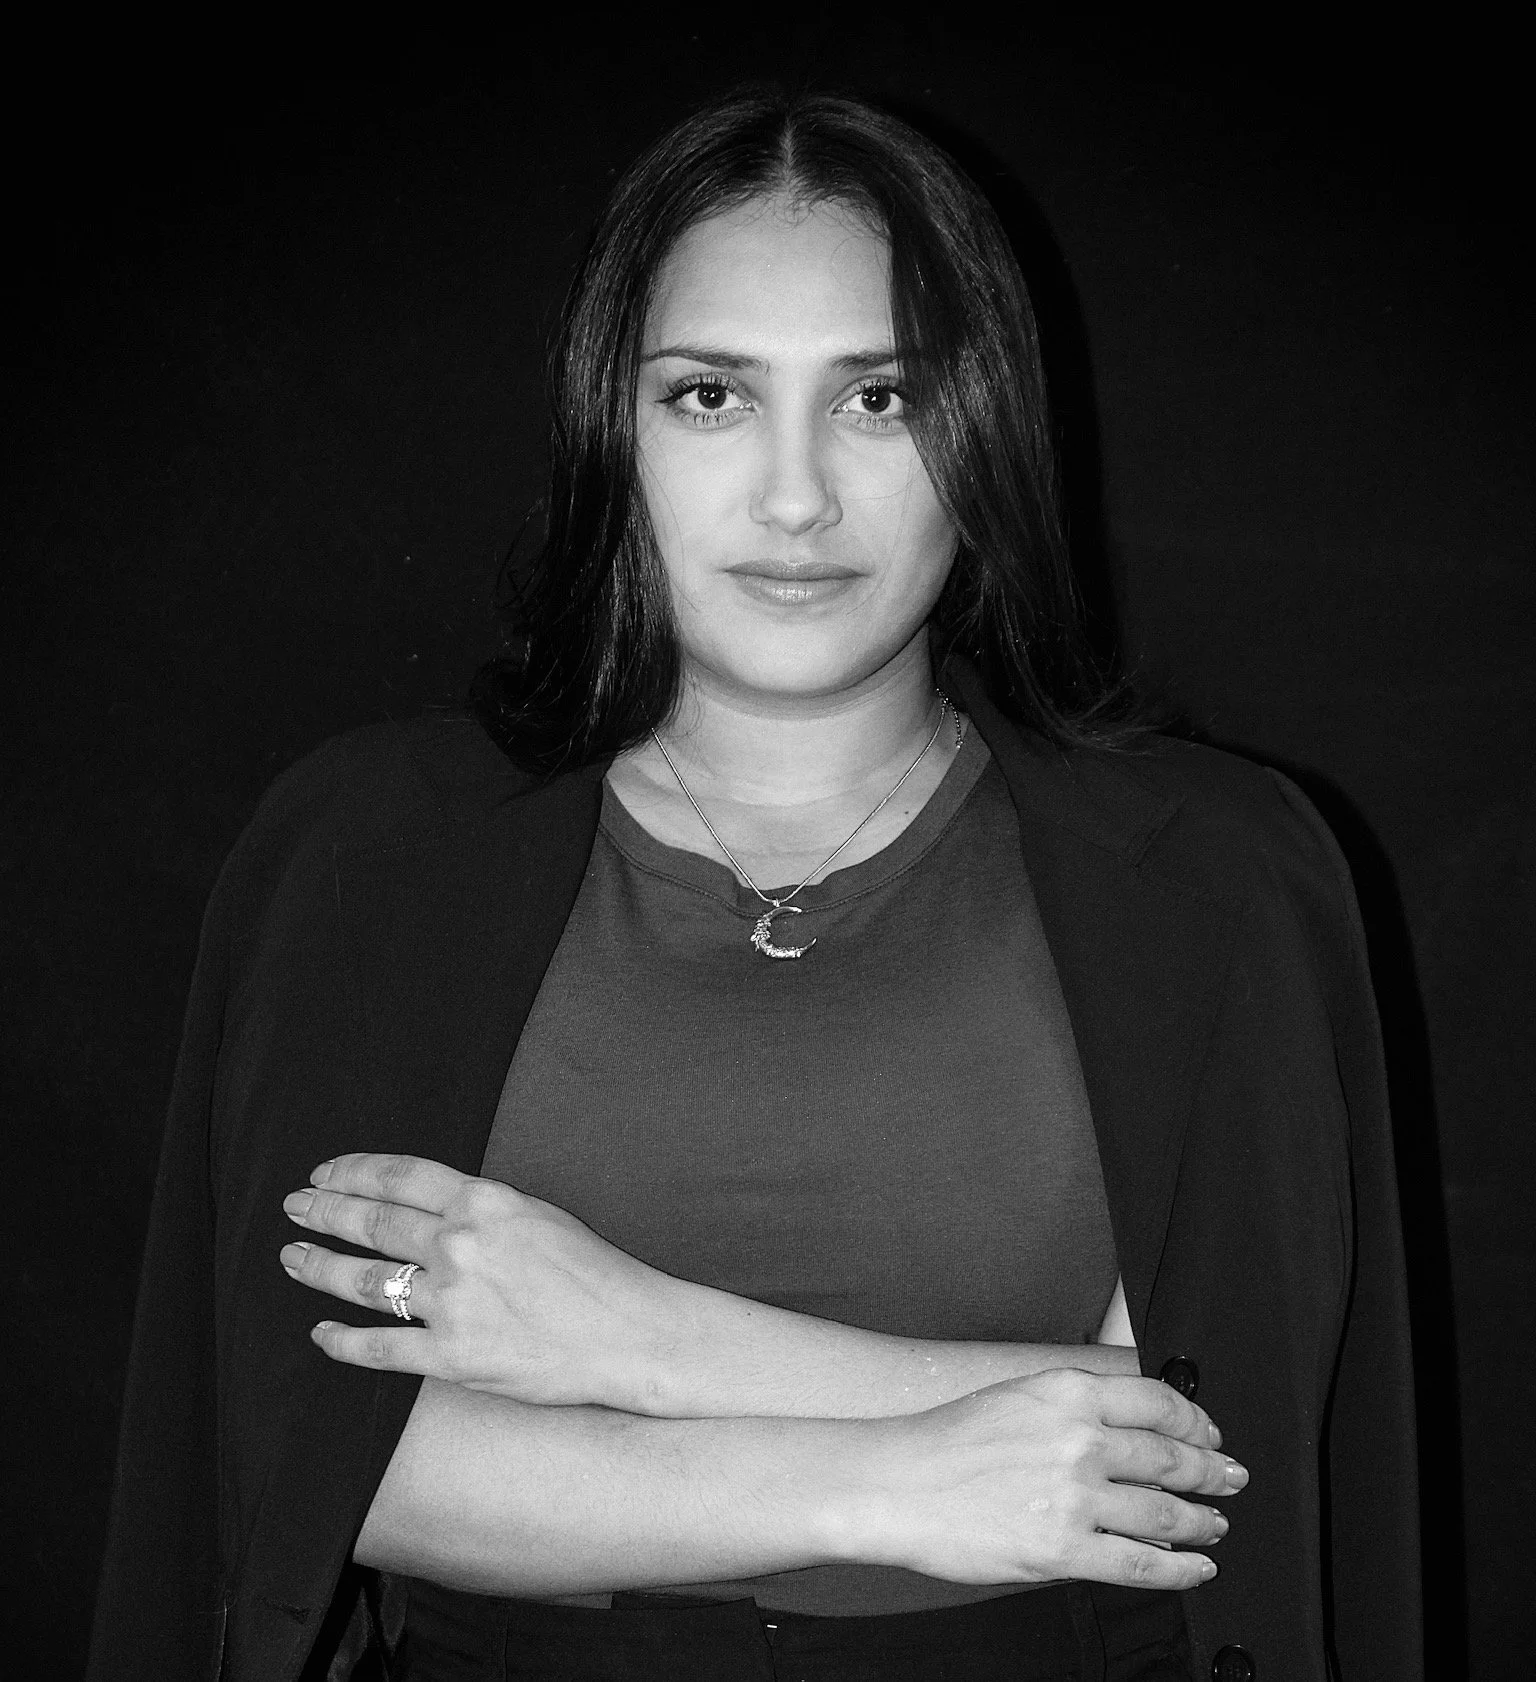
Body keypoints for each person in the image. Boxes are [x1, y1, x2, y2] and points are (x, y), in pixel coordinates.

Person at [88, 88, 1420, 1682]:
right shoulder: (368, 858)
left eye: (878, 397)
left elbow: (1174, 1459)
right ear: (613, 425)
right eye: (712, 394)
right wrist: (903, 1468)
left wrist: (635, 1341)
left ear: (982, 427)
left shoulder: (1211, 880)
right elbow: (308, 1460)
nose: (795, 497)